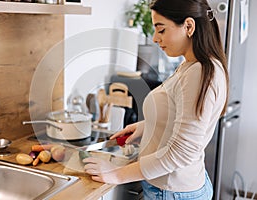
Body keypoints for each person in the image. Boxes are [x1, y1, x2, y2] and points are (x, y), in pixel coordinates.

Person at [82, 0, 229, 199]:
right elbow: (181, 115)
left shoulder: (198, 72)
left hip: (171, 190)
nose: (154, 38)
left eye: (161, 30)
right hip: (178, 186)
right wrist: (146, 125)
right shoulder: (195, 65)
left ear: (188, 26)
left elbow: (181, 152)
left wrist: (116, 174)